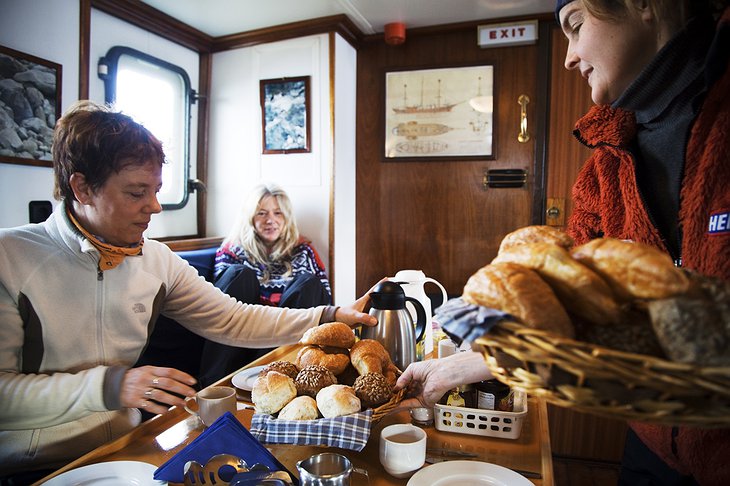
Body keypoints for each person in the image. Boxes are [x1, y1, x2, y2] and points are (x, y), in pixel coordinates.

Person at [398, 0, 729, 484]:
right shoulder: (602, 168)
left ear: (642, 5)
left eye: (576, 25)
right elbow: (568, 316)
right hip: (654, 445)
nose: (569, 56)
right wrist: (463, 366)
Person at [0, 100, 376, 480]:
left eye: (157, 190)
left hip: (132, 444)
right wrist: (111, 386)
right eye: (136, 192)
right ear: (81, 188)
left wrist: (328, 315)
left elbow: (233, 318)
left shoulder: (157, 260)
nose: (155, 206)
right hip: (36, 464)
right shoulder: (9, 258)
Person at [198, 183, 332, 386]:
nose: (271, 220)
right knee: (239, 275)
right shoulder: (232, 251)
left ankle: (282, 377)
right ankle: (213, 385)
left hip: (281, 346)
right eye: (262, 213)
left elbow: (324, 304)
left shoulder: (303, 252)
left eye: (278, 213)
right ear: (250, 217)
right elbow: (216, 306)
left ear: (287, 218)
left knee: (309, 284)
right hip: (238, 339)